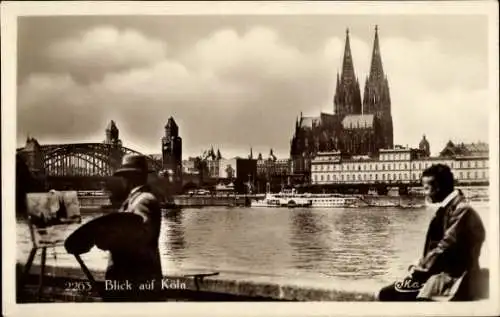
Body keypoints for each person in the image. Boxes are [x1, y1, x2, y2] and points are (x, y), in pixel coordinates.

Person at [378, 164, 486, 301]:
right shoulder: (451, 208)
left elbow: (445, 248)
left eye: (427, 188)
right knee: (389, 292)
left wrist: (419, 270)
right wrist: (421, 264)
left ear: (438, 187)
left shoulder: (461, 210)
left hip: (455, 280)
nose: (425, 193)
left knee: (387, 294)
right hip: (443, 274)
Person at [103, 154, 163, 302]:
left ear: (130, 178)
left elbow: (142, 238)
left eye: (124, 176)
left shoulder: (144, 201)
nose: (122, 180)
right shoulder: (136, 199)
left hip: (138, 281)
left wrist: (112, 240)